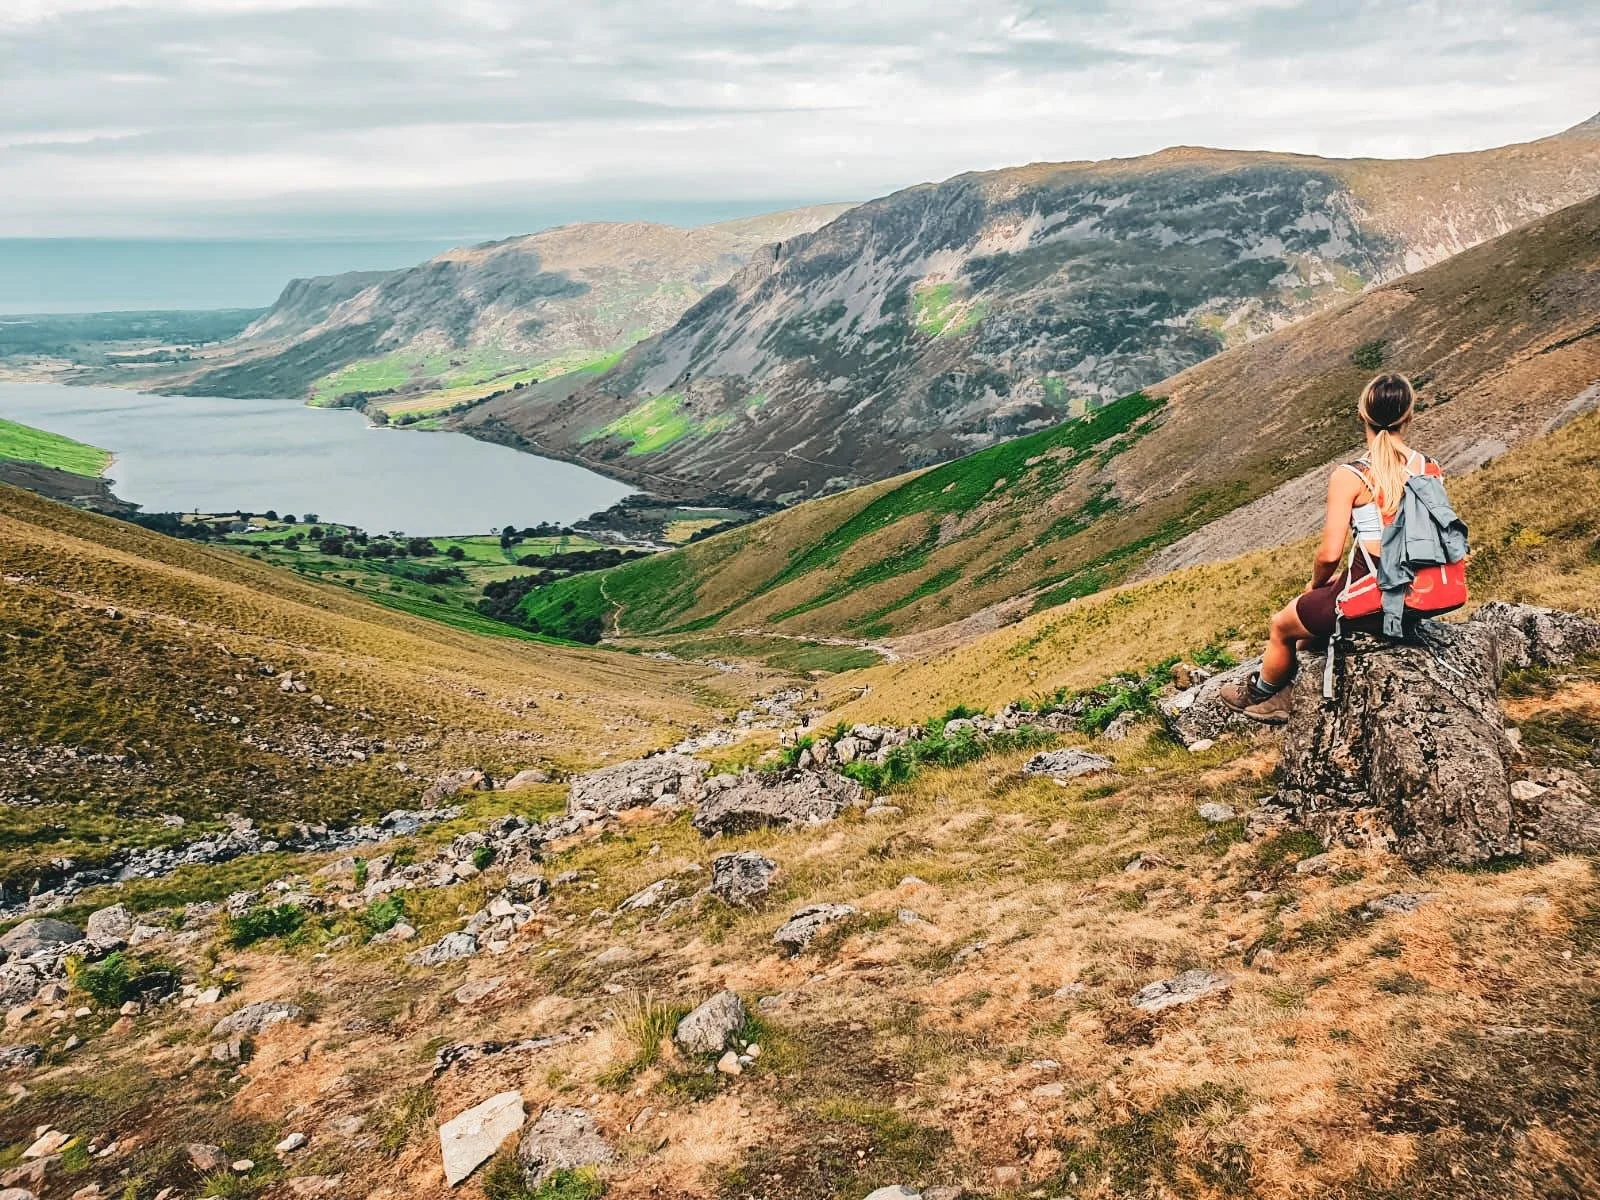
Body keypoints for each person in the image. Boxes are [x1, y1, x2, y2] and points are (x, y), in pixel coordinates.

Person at [1219, 373, 1433, 722]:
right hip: (1414, 595)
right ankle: (1293, 689)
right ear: (1408, 417)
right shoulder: (1429, 469)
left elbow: (1330, 554)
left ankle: (1261, 692)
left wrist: (1317, 585)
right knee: (1314, 614)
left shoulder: (1351, 476)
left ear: (1362, 415)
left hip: (1372, 597)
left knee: (1281, 625)